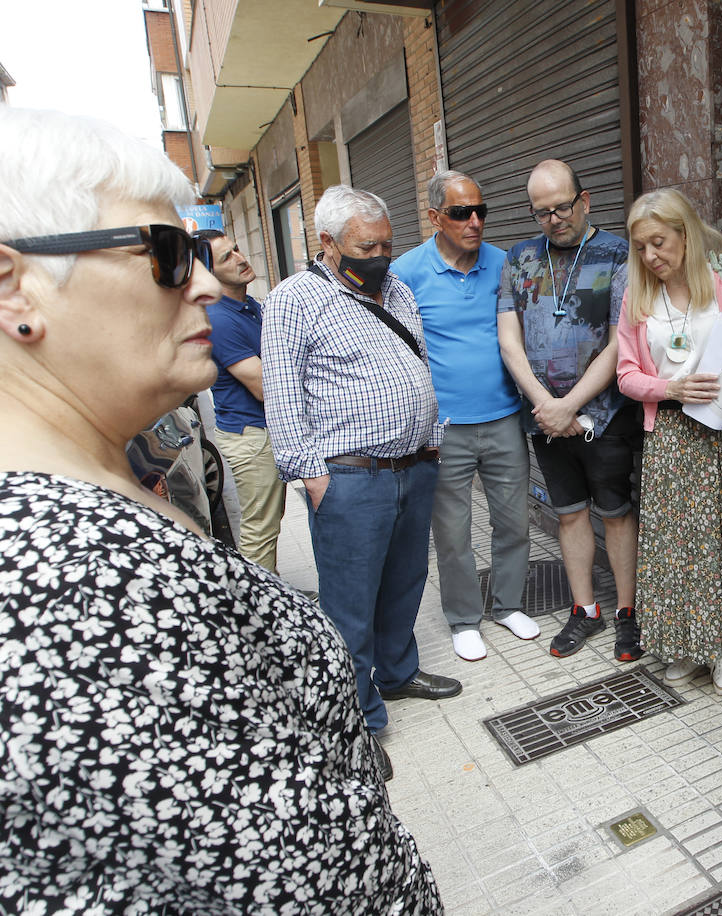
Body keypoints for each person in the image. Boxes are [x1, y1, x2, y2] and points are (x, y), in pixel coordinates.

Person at [0, 106, 440, 912]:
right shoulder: (67, 579)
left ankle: (397, 673)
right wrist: (310, 469)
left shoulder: (116, 480)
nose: (205, 282)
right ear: (13, 284)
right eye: (166, 254)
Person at [262, 184, 460, 773]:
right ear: (327, 243)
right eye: (365, 246)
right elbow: (282, 392)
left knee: (404, 582)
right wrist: (310, 475)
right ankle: (359, 718)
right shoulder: (294, 299)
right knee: (348, 606)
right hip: (350, 477)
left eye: (387, 245)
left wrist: (431, 439)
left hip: (413, 466)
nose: (380, 256)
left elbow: (417, 361)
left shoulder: (395, 288)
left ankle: (397, 673)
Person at [615, 188, 722, 696]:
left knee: (720, 541)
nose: (651, 256)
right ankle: (684, 643)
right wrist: (670, 388)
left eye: (658, 242)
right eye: (640, 247)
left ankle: (721, 644)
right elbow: (626, 375)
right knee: (673, 547)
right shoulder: (637, 297)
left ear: (685, 233)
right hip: (673, 433)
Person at [391, 170, 538, 662]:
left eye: (481, 211)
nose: (475, 222)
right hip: (443, 427)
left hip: (503, 418)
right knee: (452, 533)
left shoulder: (504, 262)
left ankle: (509, 605)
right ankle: (463, 618)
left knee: (514, 521)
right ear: (435, 217)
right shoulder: (407, 272)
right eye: (460, 213)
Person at [497, 159, 641, 661]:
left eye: (561, 207)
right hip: (543, 417)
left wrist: (571, 405)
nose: (553, 219)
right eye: (541, 212)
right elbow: (509, 339)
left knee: (617, 512)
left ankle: (627, 611)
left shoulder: (619, 254)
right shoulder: (518, 259)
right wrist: (546, 405)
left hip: (605, 414)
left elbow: (622, 341)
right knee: (569, 513)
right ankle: (586, 610)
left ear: (584, 200)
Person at [198, 228, 287, 572]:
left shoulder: (249, 305)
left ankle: (274, 590)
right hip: (251, 435)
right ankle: (262, 611)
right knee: (260, 528)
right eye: (226, 257)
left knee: (270, 519)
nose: (240, 258)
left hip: (262, 429)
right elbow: (265, 387)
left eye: (236, 249)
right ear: (208, 273)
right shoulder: (219, 318)